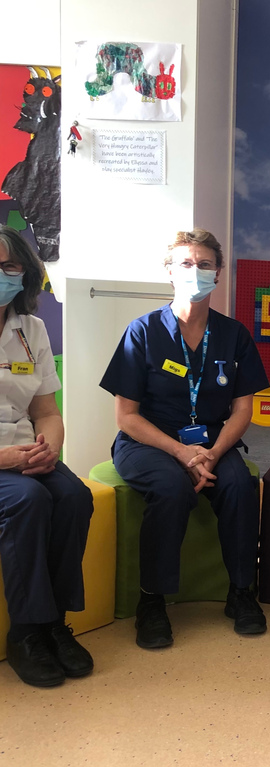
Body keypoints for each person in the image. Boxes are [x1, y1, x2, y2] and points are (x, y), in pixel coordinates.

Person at [100, 228, 269, 649]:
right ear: (171, 272)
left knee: (240, 484)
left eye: (205, 264)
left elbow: (242, 410)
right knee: (171, 487)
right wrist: (180, 452)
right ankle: (152, 601)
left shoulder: (234, 335)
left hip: (213, 442)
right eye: (186, 263)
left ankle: (241, 592)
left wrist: (212, 453)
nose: (196, 271)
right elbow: (126, 416)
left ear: (218, 273)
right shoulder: (143, 332)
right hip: (148, 441)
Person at [0, 225, 94, 687]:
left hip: (26, 451)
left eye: (8, 266)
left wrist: (50, 449)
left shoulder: (30, 330)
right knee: (28, 500)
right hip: (5, 462)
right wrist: (5, 459)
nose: (0, 274)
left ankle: (56, 624)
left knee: (74, 496)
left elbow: (46, 412)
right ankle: (26, 631)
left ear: (24, 274)